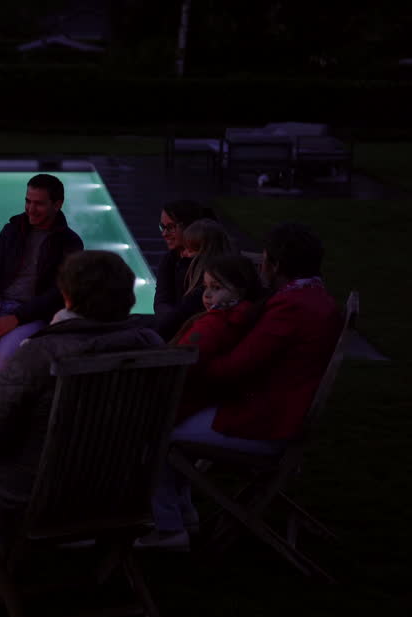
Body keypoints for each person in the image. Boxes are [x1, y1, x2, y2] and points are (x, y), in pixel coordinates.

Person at [140, 223, 342, 551]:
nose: (261, 267)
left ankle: (168, 528)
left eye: (265, 261)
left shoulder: (291, 308)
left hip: (267, 424)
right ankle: (183, 515)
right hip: (277, 410)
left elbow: (235, 368)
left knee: (154, 431)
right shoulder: (315, 297)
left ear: (276, 265)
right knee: (169, 424)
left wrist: (191, 366)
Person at [0, 251, 163, 549]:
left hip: (40, 488)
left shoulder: (40, 353)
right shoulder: (150, 347)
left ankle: (6, 549)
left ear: (67, 296)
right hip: (124, 487)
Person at [0, 173, 83, 378]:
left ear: (57, 204)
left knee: (0, 365)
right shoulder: (12, 230)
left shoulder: (69, 242)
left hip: (34, 315)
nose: (31, 209)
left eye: (39, 204)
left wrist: (17, 318)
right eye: (28, 201)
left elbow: (59, 293)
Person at [170, 254, 263, 423]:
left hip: (183, 402)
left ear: (240, 290)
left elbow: (181, 364)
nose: (207, 294)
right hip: (205, 398)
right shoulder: (246, 315)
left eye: (217, 287)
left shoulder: (215, 324)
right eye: (205, 286)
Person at [155, 218, 235, 340]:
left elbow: (169, 325)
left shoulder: (199, 292)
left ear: (204, 254)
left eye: (189, 250)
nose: (184, 254)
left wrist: (183, 268)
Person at [152, 200, 215, 334]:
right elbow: (161, 300)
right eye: (162, 227)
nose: (164, 234)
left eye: (170, 227)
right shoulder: (170, 259)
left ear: (189, 226)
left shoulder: (210, 265)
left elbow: (191, 308)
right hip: (171, 326)